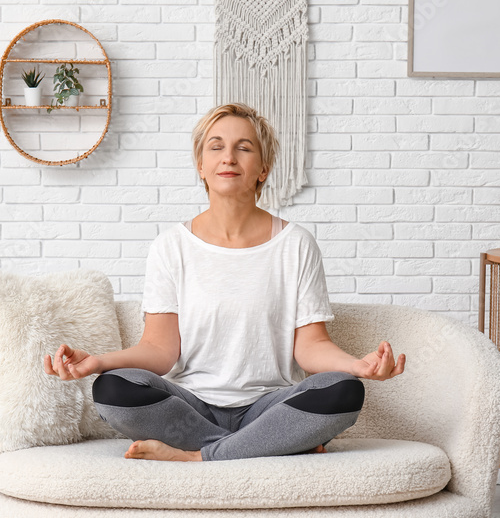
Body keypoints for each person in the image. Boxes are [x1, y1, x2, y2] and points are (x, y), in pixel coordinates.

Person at [45, 103, 405, 462]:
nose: (229, 157)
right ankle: (270, 444)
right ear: (201, 165)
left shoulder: (296, 245)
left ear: (263, 169)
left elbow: (310, 347)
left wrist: (355, 366)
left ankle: (198, 456)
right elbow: (160, 348)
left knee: (343, 390)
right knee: (112, 388)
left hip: (269, 406)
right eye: (216, 146)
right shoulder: (171, 247)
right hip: (191, 407)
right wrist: (99, 362)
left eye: (244, 147)